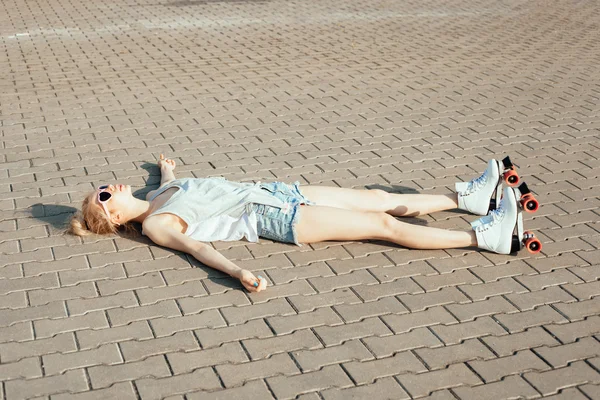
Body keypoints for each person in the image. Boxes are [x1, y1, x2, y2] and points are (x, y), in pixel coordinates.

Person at [69, 154, 527, 292]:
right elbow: (199, 250)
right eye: (104, 195)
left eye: (106, 184)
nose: (112, 186)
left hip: (277, 191)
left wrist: (166, 170)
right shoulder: (156, 226)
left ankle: (467, 197)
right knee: (379, 223)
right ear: (110, 217)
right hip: (273, 217)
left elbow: (177, 182)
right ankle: (482, 236)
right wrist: (238, 273)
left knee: (377, 197)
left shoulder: (158, 195)